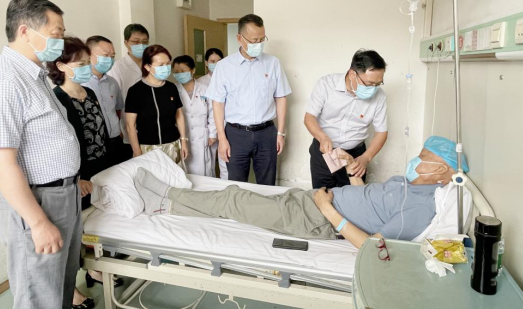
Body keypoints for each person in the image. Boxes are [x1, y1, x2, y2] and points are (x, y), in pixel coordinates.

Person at [134, 136, 469, 250]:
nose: (416, 161)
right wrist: (351, 170)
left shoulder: (423, 209)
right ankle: (166, 206)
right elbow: (369, 199)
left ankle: (168, 194)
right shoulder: (409, 184)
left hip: (316, 218)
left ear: (443, 171)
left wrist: (327, 208)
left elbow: (372, 248)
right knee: (237, 202)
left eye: (424, 159)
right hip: (314, 200)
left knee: (234, 196)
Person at [0, 0, 81, 309]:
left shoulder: (35, 74)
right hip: (39, 201)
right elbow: (3, 162)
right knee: (39, 296)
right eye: (56, 34)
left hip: (64, 194)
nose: (60, 41)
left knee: (60, 290)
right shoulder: (8, 80)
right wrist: (37, 222)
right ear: (25, 31)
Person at [47, 37, 121, 301]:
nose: (87, 67)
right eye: (81, 64)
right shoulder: (57, 99)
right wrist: (76, 177)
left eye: (88, 62)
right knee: (73, 231)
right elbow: (60, 145)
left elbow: (100, 130)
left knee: (95, 224)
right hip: (77, 173)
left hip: (100, 166)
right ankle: (72, 289)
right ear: (62, 66)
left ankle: (94, 270)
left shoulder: (88, 93)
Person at [206, 14, 291, 186]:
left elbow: (281, 97)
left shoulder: (273, 63)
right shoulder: (224, 67)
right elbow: (218, 104)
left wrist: (280, 133)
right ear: (239, 38)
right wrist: (222, 139)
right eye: (254, 40)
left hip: (266, 133)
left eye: (262, 39)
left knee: (267, 184)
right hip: (235, 134)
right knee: (237, 185)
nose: (258, 44)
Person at [304, 50, 388, 189]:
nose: (373, 89)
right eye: (369, 84)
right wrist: (322, 137)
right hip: (325, 152)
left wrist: (366, 158)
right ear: (352, 74)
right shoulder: (326, 84)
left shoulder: (379, 96)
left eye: (378, 84)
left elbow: (381, 133)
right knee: (322, 195)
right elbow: (309, 117)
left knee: (353, 198)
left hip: (355, 156)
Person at [125, 45, 188, 165]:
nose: (165, 68)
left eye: (167, 64)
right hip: (147, 148)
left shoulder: (171, 88)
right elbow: (130, 125)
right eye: (160, 65)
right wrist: (137, 151)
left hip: (172, 145)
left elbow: (179, 115)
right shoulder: (135, 91)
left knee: (175, 176)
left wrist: (183, 141)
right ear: (147, 67)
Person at [85, 35, 129, 167]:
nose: (109, 59)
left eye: (112, 56)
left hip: (116, 140)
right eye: (105, 55)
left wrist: (118, 131)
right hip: (94, 143)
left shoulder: (112, 82)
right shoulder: (81, 83)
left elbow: (117, 109)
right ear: (89, 54)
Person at [173, 55, 217, 177]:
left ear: (193, 70)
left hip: (202, 137)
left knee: (204, 172)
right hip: (182, 137)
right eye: (176, 72)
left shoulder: (205, 89)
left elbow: (213, 113)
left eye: (183, 71)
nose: (180, 74)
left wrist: (212, 134)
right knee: (184, 173)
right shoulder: (173, 90)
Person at [109, 23, 149, 146]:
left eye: (144, 42)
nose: (140, 45)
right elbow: (114, 101)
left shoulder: (152, 65)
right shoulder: (117, 67)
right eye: (135, 42)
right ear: (126, 43)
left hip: (151, 123)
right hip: (128, 124)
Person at [198, 48, 228, 179]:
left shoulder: (228, 78)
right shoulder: (200, 83)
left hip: (226, 125)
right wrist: (212, 132)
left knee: (225, 160)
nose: (216, 64)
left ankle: (226, 186)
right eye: (212, 61)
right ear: (206, 63)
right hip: (207, 127)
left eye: (219, 61)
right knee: (207, 162)